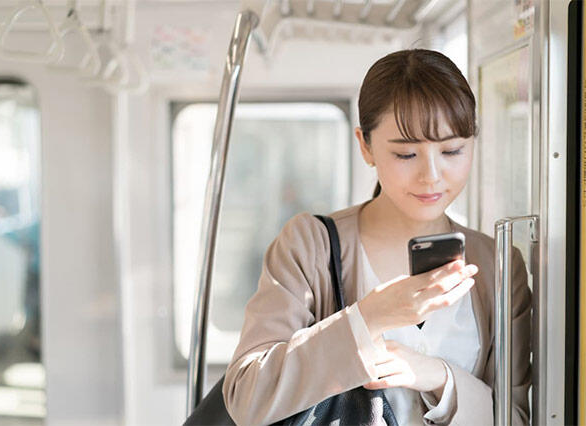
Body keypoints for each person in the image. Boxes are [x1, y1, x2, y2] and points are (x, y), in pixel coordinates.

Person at [221, 49, 531, 426]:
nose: (431, 175)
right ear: (365, 145)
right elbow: (247, 396)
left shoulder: (499, 264)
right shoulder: (309, 245)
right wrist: (368, 318)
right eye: (406, 154)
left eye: (452, 150)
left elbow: (516, 417)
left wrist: (438, 378)